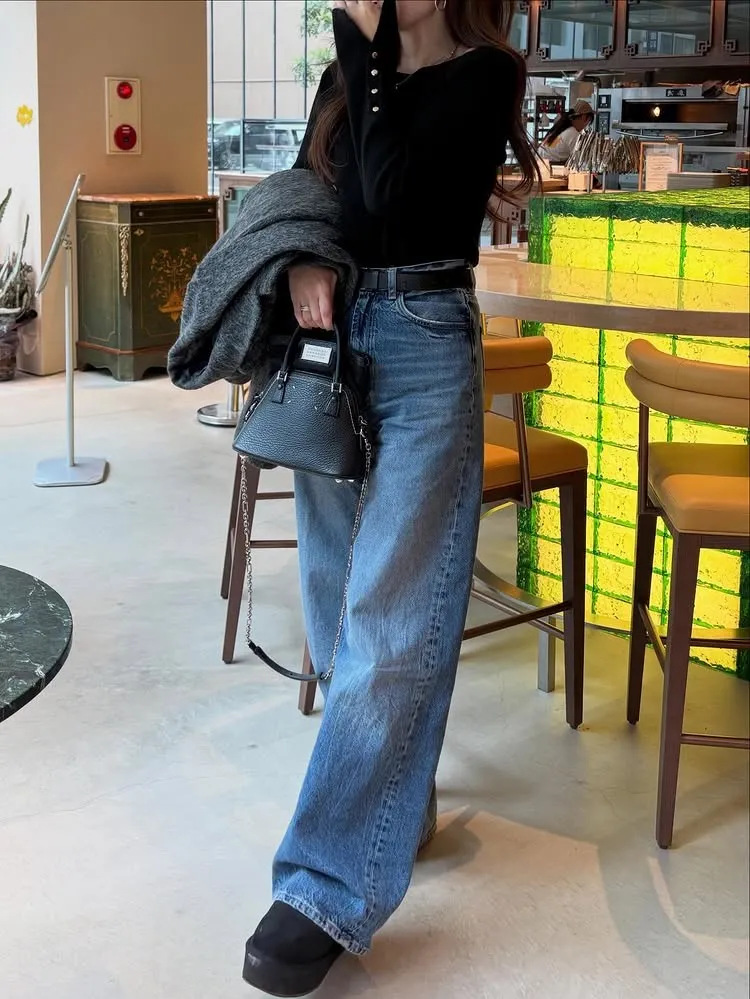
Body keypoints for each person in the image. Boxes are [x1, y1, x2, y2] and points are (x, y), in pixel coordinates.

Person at [242, 1, 538, 994]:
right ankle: (393, 808)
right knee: (335, 602)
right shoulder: (350, 75)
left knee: (392, 614)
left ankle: (324, 888)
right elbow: (321, 194)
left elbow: (397, 196)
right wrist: (304, 258)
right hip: (329, 341)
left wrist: (362, 49)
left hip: (423, 341)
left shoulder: (483, 74)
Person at [538, 99, 594, 165]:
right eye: (588, 121)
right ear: (584, 117)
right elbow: (579, 159)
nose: (586, 125)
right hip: (548, 165)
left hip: (540, 162)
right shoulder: (572, 133)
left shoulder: (562, 128)